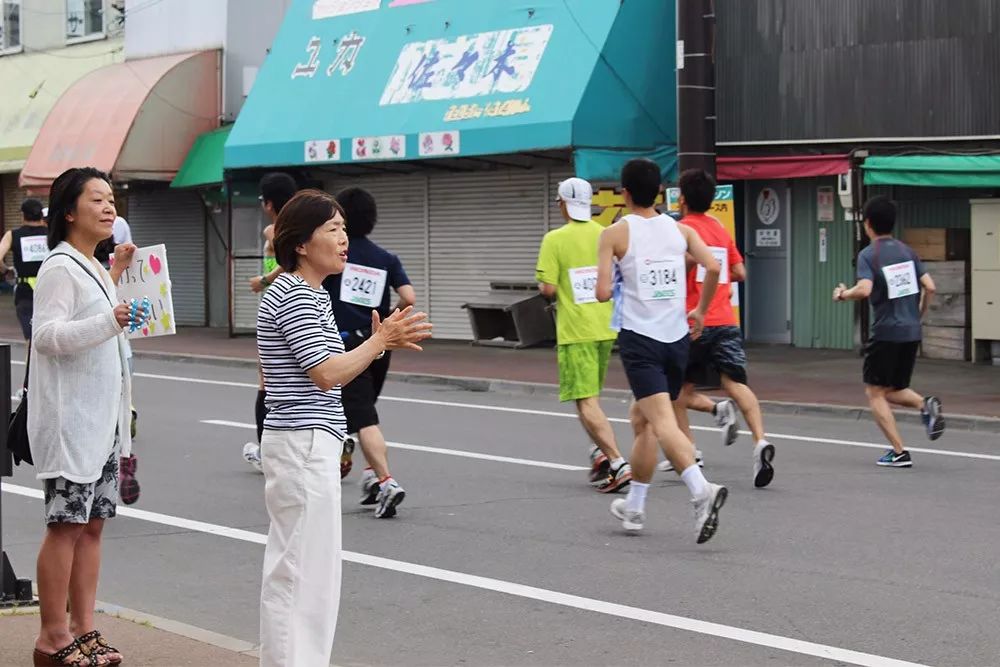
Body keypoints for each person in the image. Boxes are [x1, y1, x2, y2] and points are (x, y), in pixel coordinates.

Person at [256, 190, 431, 666]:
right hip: (302, 444)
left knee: (309, 572)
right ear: (300, 244)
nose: (343, 238)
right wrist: (379, 341)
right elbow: (327, 372)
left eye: (344, 228)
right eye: (331, 229)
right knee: (299, 574)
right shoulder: (294, 293)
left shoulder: (307, 292)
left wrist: (379, 341)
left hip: (308, 443)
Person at [30, 167, 144, 666]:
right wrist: (108, 318)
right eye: (96, 199)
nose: (108, 207)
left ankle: (84, 628)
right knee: (66, 527)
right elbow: (46, 336)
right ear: (68, 212)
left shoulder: (89, 264)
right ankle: (52, 638)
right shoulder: (58, 266)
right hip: (71, 423)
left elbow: (93, 318)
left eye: (112, 198)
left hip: (101, 422)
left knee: (93, 524)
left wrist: (115, 274)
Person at [596, 158, 728, 543]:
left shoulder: (615, 234)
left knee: (663, 421)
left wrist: (618, 276)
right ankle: (634, 507)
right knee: (644, 421)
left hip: (641, 340)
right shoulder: (679, 229)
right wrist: (700, 310)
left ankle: (701, 489)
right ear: (660, 192)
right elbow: (714, 268)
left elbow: (603, 291)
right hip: (676, 339)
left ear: (623, 193)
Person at [664, 168, 775, 488]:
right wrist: (720, 276)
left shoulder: (680, 230)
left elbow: (677, 268)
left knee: (677, 394)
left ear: (682, 199)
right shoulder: (718, 229)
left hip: (690, 322)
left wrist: (691, 264)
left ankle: (689, 453)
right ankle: (759, 441)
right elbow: (740, 271)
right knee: (736, 382)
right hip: (726, 320)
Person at [323, 187, 416, 518]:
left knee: (363, 417)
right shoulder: (385, 258)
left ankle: (386, 480)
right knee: (363, 410)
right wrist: (389, 319)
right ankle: (369, 476)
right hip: (380, 344)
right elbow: (409, 296)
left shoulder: (338, 257)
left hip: (347, 344)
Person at [535, 177, 632, 492]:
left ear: (562, 204)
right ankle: (600, 453)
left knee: (586, 400)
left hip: (576, 330)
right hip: (606, 326)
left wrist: (548, 287)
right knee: (590, 398)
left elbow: (547, 289)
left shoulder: (555, 239)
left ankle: (617, 462)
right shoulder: (605, 233)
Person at [833, 195, 945, 467]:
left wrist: (842, 294)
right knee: (893, 388)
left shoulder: (869, 254)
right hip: (910, 331)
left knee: (874, 392)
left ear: (868, 224)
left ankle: (899, 452)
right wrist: (919, 313)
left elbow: (865, 289)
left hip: (886, 331)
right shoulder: (908, 251)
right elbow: (930, 286)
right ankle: (925, 405)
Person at [242, 172, 300, 473]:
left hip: (277, 307)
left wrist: (263, 279)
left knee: (267, 381)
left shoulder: (274, 231)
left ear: (268, 203)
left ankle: (267, 449)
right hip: (300, 304)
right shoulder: (305, 226)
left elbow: (288, 262)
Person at [0, 198, 48, 347]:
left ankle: (31, 369)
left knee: (31, 341)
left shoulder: (13, 235)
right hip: (50, 288)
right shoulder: (51, 233)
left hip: (25, 291)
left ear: (23, 215)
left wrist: (6, 271)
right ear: (41, 215)